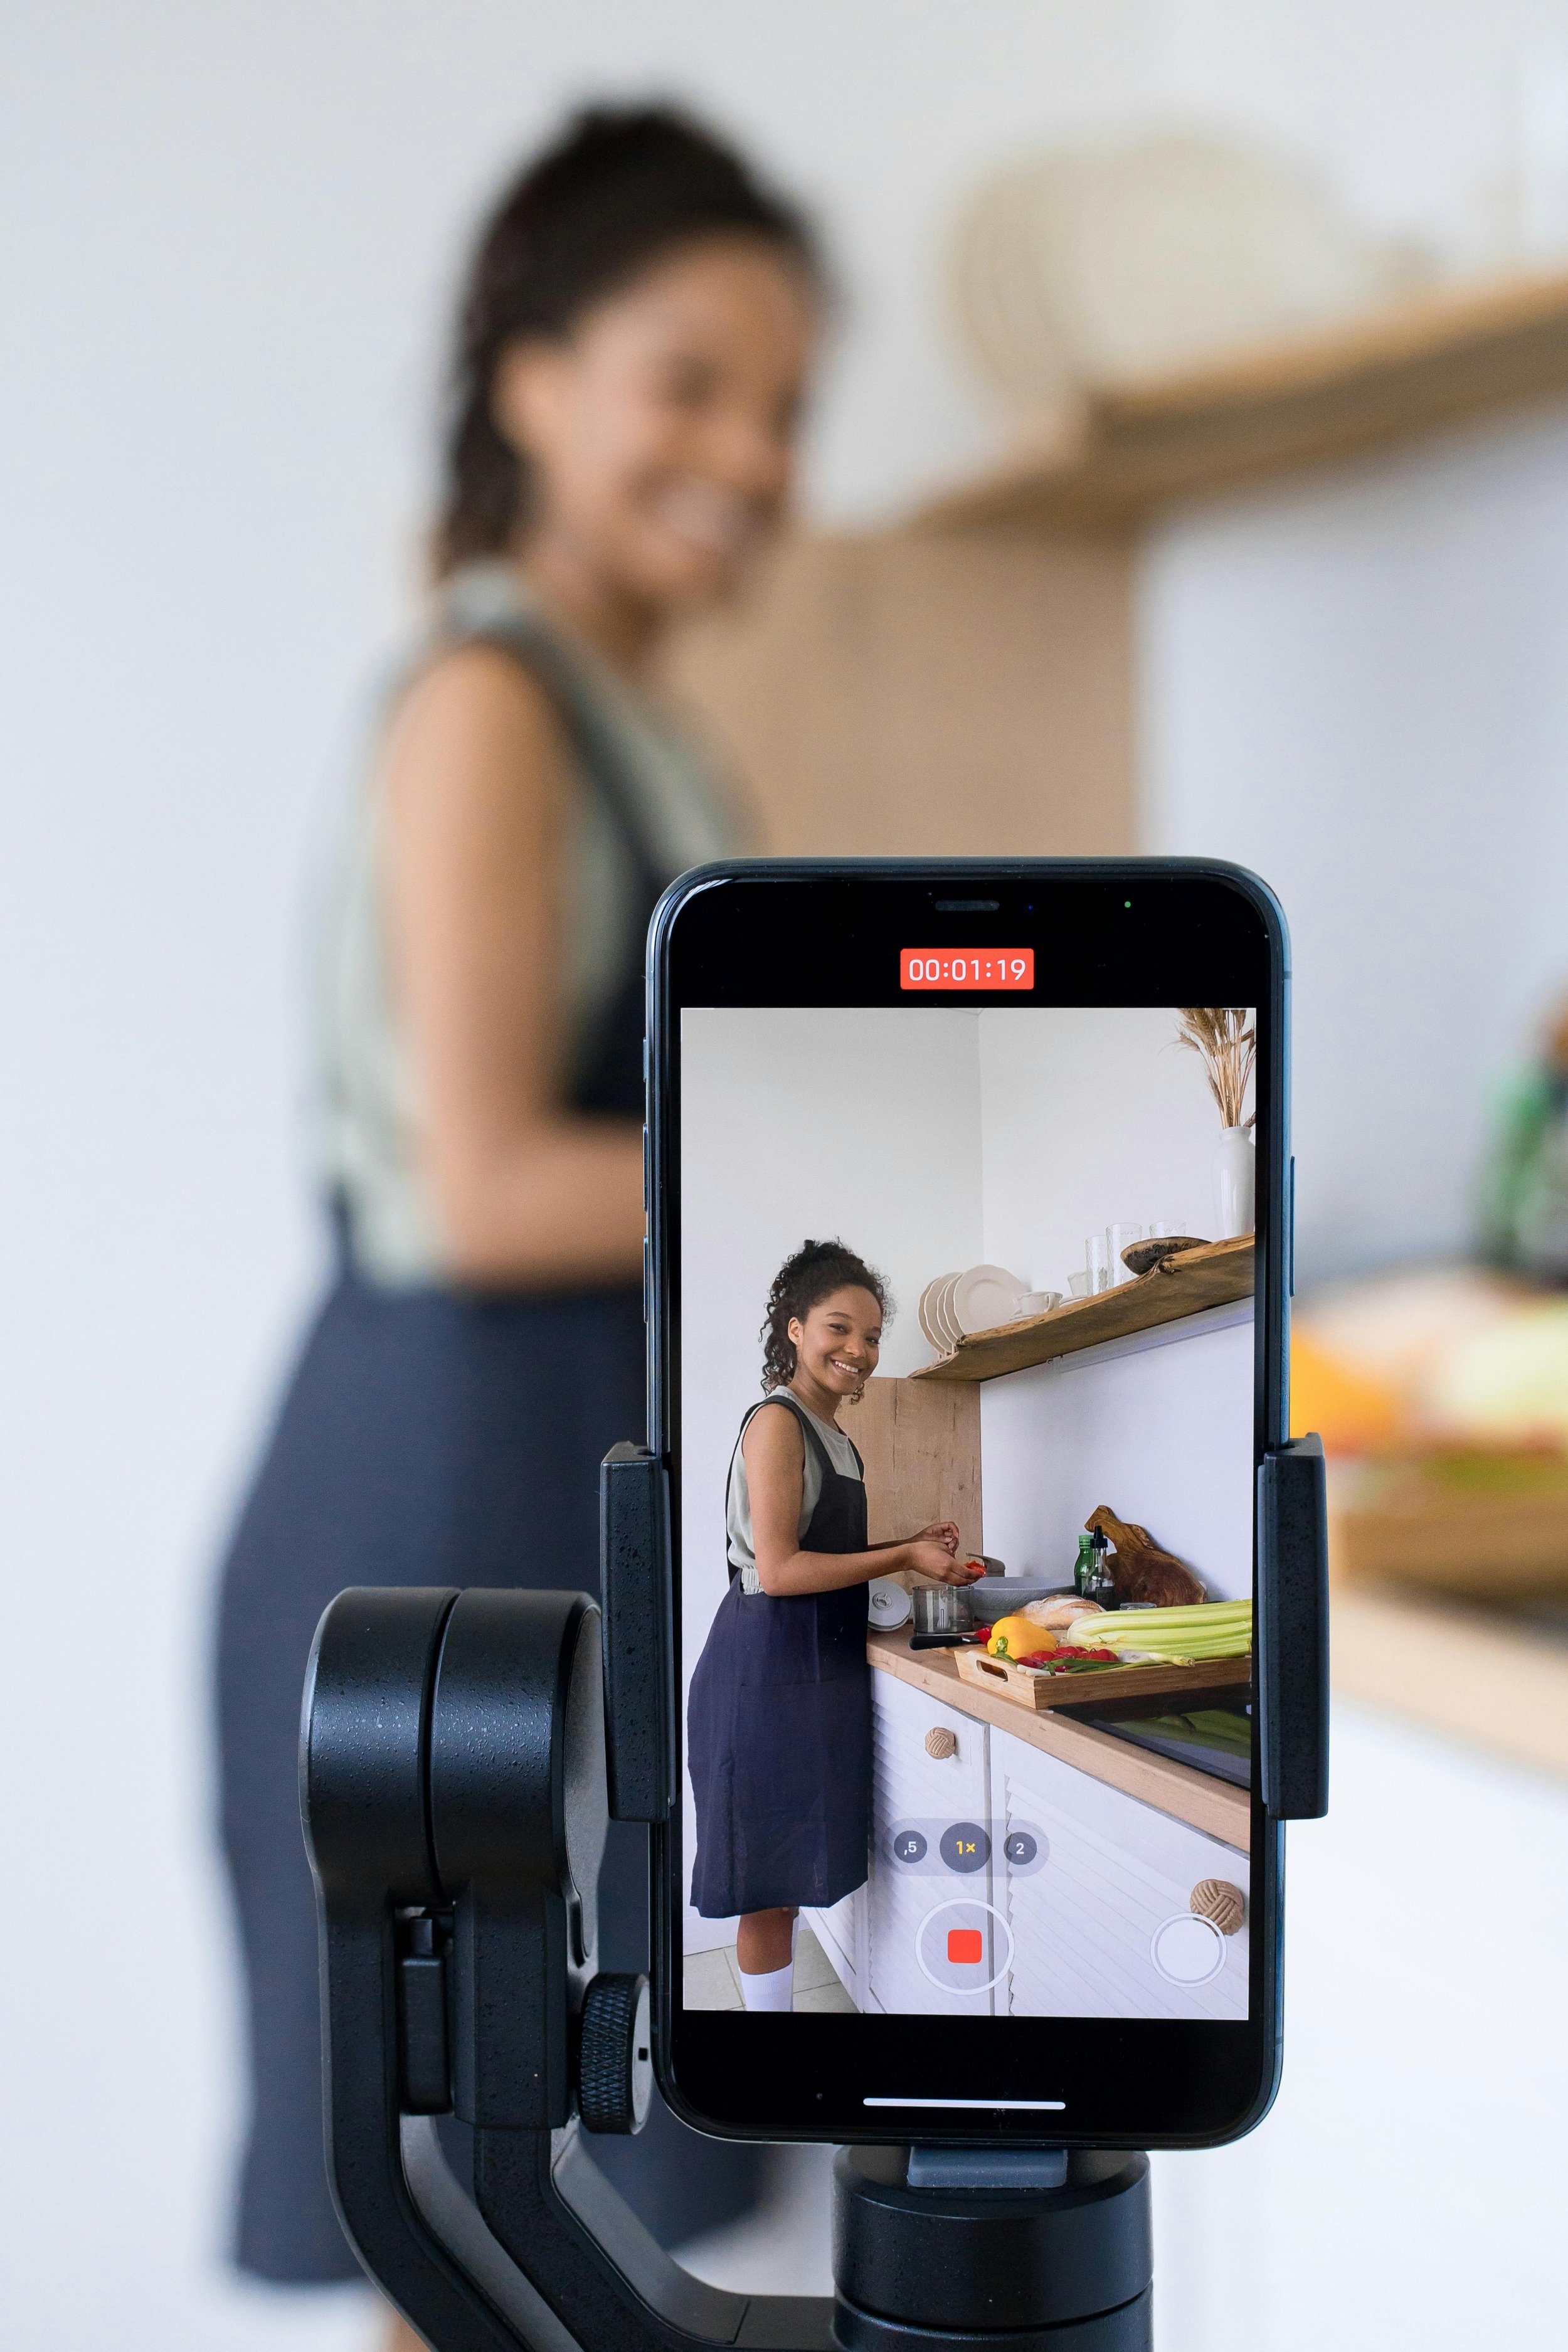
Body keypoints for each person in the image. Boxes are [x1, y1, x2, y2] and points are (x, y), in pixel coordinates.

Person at [214, 103, 825, 2314]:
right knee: (469, 2227)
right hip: (437, 1502)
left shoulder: (639, 722)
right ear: (534, 380)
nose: (753, 453)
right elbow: (484, 1187)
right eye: (693, 381)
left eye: (785, 408)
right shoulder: (491, 700)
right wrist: (822, 1191)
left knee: (558, 2239)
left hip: (550, 1492)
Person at [687, 1241, 983, 2008]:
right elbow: (781, 1570)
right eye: (839, 1328)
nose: (859, 1350)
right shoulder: (778, 1423)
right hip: (764, 1672)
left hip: (810, 1670)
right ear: (794, 1329)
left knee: (786, 1872)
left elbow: (828, 1550)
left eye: (872, 1336)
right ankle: (770, 2061)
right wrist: (901, 1555)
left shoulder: (835, 1437)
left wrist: (910, 1542)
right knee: (765, 1883)